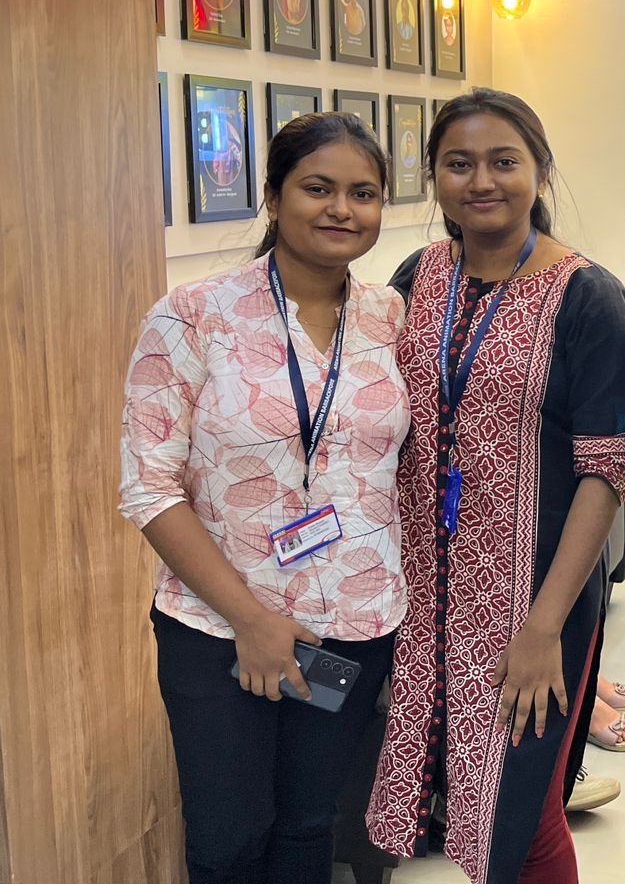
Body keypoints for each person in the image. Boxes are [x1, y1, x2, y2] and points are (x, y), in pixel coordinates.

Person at [120, 112, 407, 884]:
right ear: (274, 197)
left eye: (364, 192)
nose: (341, 209)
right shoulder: (191, 315)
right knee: (229, 841)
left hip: (354, 620)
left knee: (310, 828)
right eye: (318, 188)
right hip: (218, 627)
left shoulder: (390, 317)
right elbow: (148, 487)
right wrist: (251, 621)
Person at [366, 88, 625, 884]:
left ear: (539, 171)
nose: (481, 180)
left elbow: (606, 470)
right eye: (459, 163)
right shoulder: (417, 275)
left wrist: (544, 626)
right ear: (435, 179)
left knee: (522, 814)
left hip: (533, 600)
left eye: (503, 161)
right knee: (454, 802)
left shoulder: (589, 299)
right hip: (426, 592)